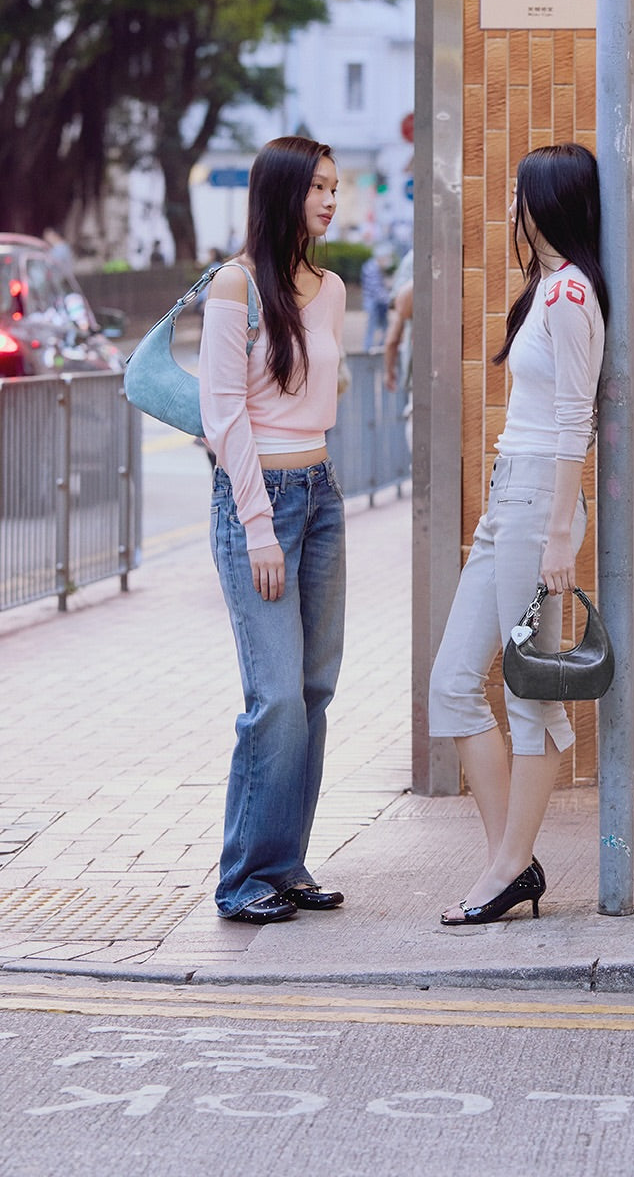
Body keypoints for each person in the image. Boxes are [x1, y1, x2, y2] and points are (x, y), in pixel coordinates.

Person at [428, 142, 609, 926]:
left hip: (542, 502)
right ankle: (512, 861)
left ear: (550, 203)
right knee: (452, 683)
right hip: (511, 496)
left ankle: (505, 868)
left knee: (528, 692)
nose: (511, 204)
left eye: (519, 193)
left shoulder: (571, 295)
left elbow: (577, 417)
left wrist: (561, 531)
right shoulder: (544, 289)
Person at [199, 135, 348, 924]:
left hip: (321, 495)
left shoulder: (330, 290)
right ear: (282, 192)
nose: (329, 199)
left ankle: (284, 863)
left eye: (334, 186)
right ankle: (241, 878)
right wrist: (258, 524)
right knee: (275, 699)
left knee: (315, 689)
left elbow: (320, 396)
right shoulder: (236, 288)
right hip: (259, 502)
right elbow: (225, 415)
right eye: (317, 186)